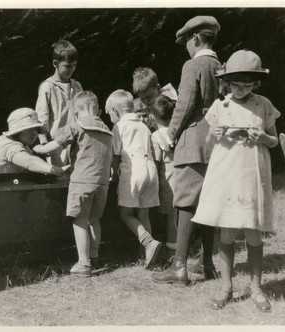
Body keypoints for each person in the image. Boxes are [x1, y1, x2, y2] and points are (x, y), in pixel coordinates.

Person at [193, 49, 280, 312]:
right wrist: (214, 134)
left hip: (251, 175)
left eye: (246, 85)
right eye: (235, 85)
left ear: (256, 83)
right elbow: (208, 144)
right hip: (226, 175)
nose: (240, 90)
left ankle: (256, 289)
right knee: (227, 232)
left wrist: (262, 137)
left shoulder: (262, 104)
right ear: (226, 82)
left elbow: (274, 140)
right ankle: (226, 287)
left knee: (253, 233)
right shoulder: (221, 106)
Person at [151, 16, 221, 286]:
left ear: (195, 39)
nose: (186, 48)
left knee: (186, 203)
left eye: (187, 43)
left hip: (192, 141)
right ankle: (208, 264)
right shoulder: (220, 65)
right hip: (215, 143)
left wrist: (170, 134)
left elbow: (185, 103)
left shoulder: (194, 64)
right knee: (208, 202)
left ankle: (179, 267)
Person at [33, 91, 113, 277]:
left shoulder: (76, 126)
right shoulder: (107, 130)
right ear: (99, 111)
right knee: (94, 220)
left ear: (76, 112)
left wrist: (38, 148)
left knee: (80, 220)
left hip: (82, 181)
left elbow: (54, 146)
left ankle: (83, 263)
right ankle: (94, 256)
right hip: (102, 184)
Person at [106, 89, 162, 268]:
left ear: (115, 110)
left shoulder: (119, 127)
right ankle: (146, 255)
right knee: (143, 212)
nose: (110, 117)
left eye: (109, 113)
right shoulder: (144, 125)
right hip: (150, 169)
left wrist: (113, 174)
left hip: (133, 170)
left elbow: (115, 156)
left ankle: (148, 243)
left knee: (125, 213)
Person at [35, 40, 84, 166]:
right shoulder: (47, 87)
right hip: (57, 145)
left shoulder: (77, 86)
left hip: (77, 143)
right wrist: (44, 143)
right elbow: (42, 117)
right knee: (60, 177)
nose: (72, 69)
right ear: (55, 64)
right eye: (67, 66)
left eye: (74, 65)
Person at [150, 94, 178, 261]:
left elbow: (155, 162)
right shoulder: (177, 132)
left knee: (170, 219)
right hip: (181, 179)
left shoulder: (155, 137)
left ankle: (173, 252)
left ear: (152, 117)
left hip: (167, 182)